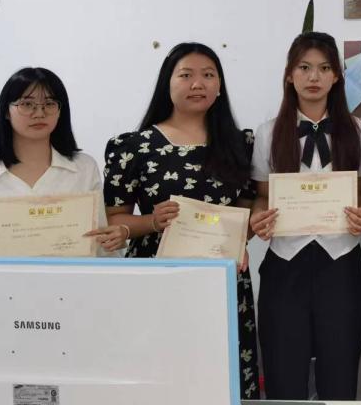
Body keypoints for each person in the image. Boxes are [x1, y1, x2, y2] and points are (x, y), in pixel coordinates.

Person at [103, 42, 260, 399]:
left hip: (222, 277)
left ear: (219, 85)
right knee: (160, 372)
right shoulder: (133, 146)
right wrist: (152, 221)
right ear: (168, 83)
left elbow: (247, 205)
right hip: (156, 276)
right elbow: (117, 218)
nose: (198, 84)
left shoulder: (241, 143)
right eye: (186, 75)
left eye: (208, 75)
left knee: (219, 370)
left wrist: (240, 239)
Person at [248, 32, 361, 400]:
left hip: (341, 261)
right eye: (304, 68)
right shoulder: (269, 132)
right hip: (285, 263)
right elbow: (261, 195)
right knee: (283, 371)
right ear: (290, 75)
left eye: (324, 68)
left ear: (336, 76)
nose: (314, 77)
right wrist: (258, 219)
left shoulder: (357, 130)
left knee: (340, 371)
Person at [0, 68, 125, 254]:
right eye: (27, 104)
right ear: (6, 111)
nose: (39, 113)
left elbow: (100, 246)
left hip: (72, 272)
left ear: (60, 111)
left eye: (49, 104)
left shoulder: (84, 167)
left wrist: (114, 240)